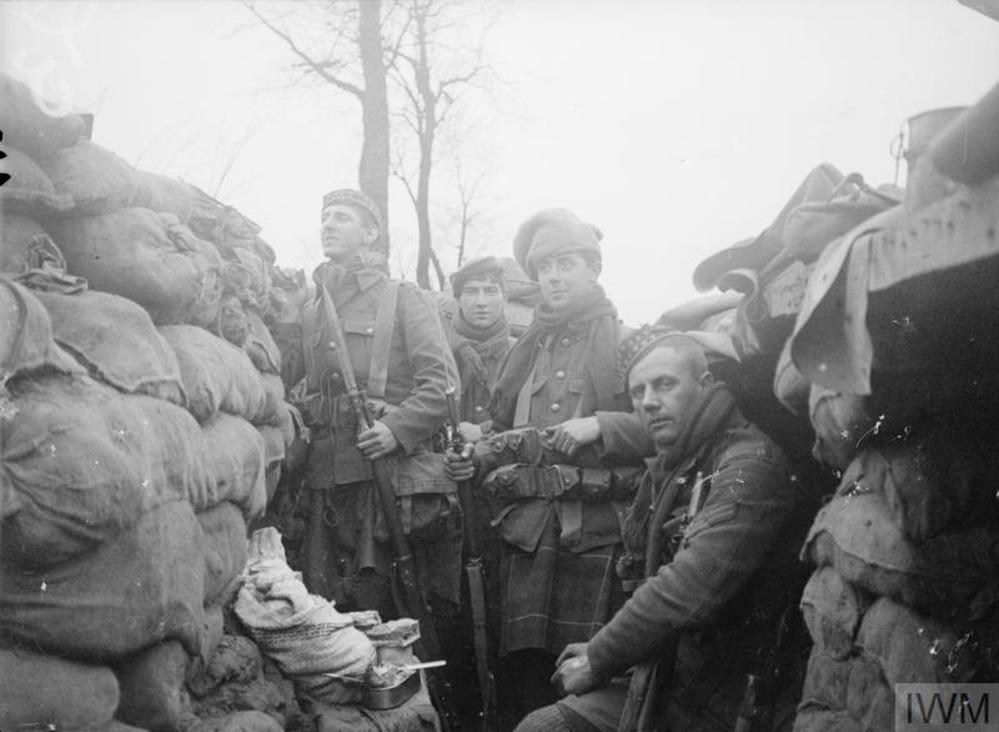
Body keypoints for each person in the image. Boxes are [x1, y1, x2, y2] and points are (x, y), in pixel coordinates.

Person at [514, 326, 809, 732]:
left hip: (733, 699)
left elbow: (688, 588)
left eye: (665, 384)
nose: (650, 402)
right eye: (638, 392)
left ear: (705, 385)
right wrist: (603, 653)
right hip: (675, 677)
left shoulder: (749, 465)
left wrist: (600, 658)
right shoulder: (681, 464)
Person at [447, 208, 649, 723]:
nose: (553, 277)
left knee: (585, 675)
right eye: (543, 268)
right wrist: (477, 449)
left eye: (565, 264)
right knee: (520, 675)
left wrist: (604, 424)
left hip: (597, 535)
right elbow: (503, 430)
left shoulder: (628, 344)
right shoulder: (527, 351)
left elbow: (670, 427)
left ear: (593, 270)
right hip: (526, 537)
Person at [281, 188, 462, 627]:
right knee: (326, 610)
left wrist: (397, 430)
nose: (328, 225)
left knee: (384, 607)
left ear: (372, 233)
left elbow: (442, 385)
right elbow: (289, 376)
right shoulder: (314, 308)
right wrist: (288, 314)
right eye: (325, 217)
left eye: (342, 217)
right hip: (325, 481)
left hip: (384, 481)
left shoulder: (404, 298)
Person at [447, 255, 517, 441]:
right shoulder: (439, 351)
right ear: (457, 298)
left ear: (505, 297)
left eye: (491, 291)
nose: (481, 302)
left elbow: (531, 417)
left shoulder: (520, 353)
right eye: (471, 292)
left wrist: (484, 431)